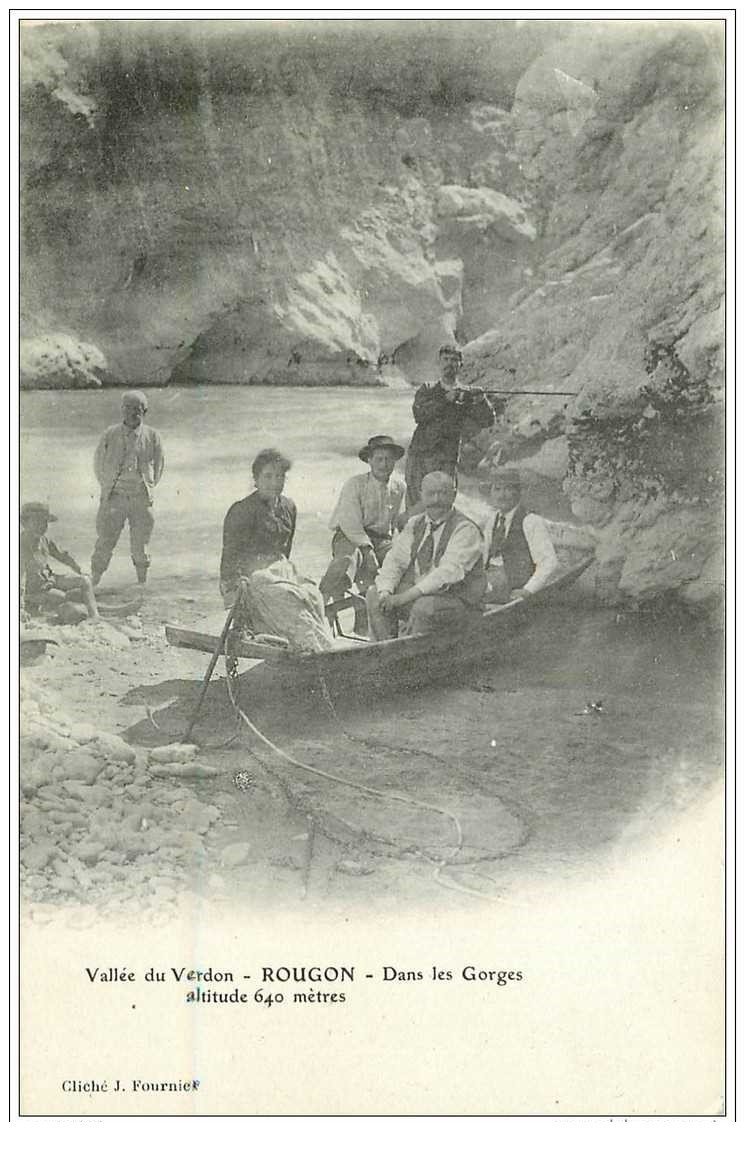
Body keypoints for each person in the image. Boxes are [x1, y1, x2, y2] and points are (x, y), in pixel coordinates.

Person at [220, 448, 333, 653]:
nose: (275, 482)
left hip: (281, 570)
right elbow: (229, 556)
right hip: (252, 578)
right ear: (256, 479)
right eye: (268, 476)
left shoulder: (288, 507)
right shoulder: (241, 510)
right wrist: (232, 591)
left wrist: (287, 572)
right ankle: (314, 649)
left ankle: (323, 646)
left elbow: (286, 549)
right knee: (288, 597)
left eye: (280, 476)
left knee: (313, 595)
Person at [366, 471, 486, 640]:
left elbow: (447, 573)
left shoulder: (465, 528)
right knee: (374, 595)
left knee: (424, 607)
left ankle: (416, 660)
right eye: (431, 493)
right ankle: (386, 652)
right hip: (419, 596)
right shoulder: (415, 523)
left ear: (454, 494)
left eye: (443, 493)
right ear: (422, 495)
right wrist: (385, 592)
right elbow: (395, 562)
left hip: (458, 601)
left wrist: (402, 598)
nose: (436, 499)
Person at [318, 435, 407, 625]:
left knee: (399, 567)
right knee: (346, 561)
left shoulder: (399, 487)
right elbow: (350, 523)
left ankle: (380, 623)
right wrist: (367, 551)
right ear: (369, 461)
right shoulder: (355, 484)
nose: (384, 464)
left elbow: (399, 523)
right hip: (350, 535)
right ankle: (319, 610)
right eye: (379, 459)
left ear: (394, 461)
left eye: (388, 459)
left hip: (382, 540)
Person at [404, 345, 494, 509]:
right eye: (445, 359)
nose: (449, 364)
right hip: (421, 456)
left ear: (460, 364)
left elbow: (487, 421)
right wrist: (446, 399)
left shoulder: (467, 393)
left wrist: (482, 401)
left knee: (442, 503)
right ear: (439, 363)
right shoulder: (427, 389)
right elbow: (419, 415)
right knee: (415, 503)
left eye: (454, 360)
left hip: (447, 458)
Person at [91, 390, 165, 587]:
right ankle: (93, 583)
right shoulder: (110, 434)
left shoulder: (153, 436)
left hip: (141, 497)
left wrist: (148, 486)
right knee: (105, 541)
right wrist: (108, 487)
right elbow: (98, 463)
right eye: (128, 408)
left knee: (141, 546)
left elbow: (159, 465)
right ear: (122, 410)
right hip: (114, 496)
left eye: (137, 409)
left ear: (144, 411)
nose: (132, 413)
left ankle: (141, 586)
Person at [481, 467, 560, 602]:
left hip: (515, 586)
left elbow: (549, 562)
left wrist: (528, 590)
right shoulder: (493, 521)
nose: (502, 495)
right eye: (497, 489)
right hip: (491, 581)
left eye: (507, 489)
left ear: (517, 492)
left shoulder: (530, 521)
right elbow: (484, 557)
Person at [20, 502, 100, 623]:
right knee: (61, 598)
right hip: (33, 592)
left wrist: (80, 569)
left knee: (85, 581)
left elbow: (63, 556)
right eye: (36, 521)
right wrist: (19, 608)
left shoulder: (44, 540)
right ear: (24, 523)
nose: (41, 526)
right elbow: (18, 580)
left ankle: (95, 616)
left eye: (44, 522)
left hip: (49, 580)